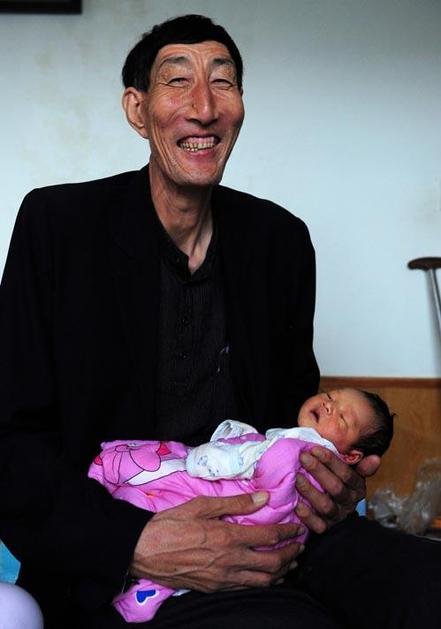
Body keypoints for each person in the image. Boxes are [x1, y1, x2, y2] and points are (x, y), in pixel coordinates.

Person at [0, 13, 439, 629]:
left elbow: (290, 421)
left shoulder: (280, 242)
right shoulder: (58, 227)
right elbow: (11, 442)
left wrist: (330, 478)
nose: (204, 108)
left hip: (270, 528)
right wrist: (134, 542)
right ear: (137, 109)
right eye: (177, 80)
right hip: (122, 554)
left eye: (224, 82)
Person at [88, 388, 394, 623]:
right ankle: (149, 591)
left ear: (351, 457)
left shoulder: (301, 450)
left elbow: (266, 460)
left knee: (157, 497)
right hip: (264, 530)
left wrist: (214, 457)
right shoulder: (297, 441)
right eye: (330, 396)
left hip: (250, 519)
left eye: (342, 418)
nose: (329, 406)